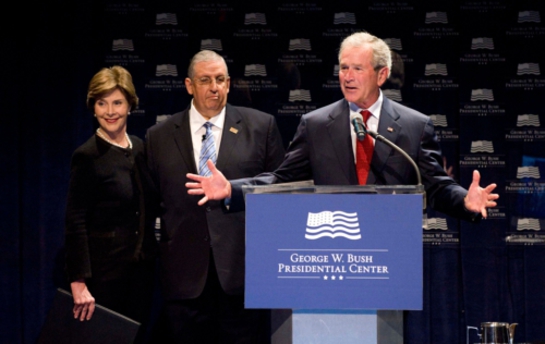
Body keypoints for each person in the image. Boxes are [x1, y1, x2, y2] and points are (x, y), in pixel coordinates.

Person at [186, 32, 499, 220]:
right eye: (343, 68)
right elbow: (280, 181)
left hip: (388, 253)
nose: (347, 76)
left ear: (381, 74)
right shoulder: (316, 124)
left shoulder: (415, 127)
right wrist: (232, 189)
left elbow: (437, 186)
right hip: (331, 254)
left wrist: (466, 202)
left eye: (357, 69)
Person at [145, 50, 285, 343]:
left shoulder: (261, 127)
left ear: (229, 83)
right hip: (183, 281)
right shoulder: (158, 136)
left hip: (241, 277)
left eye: (220, 79)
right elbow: (150, 203)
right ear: (188, 85)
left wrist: (235, 190)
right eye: (205, 80)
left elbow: (280, 188)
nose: (214, 87)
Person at [64, 66, 158, 339]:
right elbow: (75, 220)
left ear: (130, 104)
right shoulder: (87, 155)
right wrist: (78, 282)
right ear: (93, 108)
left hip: (141, 275)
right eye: (101, 103)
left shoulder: (141, 148)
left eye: (117, 102)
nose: (110, 111)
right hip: (103, 278)